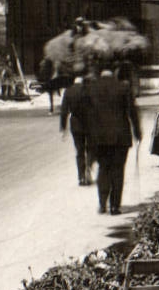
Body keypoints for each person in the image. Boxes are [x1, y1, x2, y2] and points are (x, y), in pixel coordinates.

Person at [79, 60, 141, 216]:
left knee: (103, 168)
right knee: (118, 170)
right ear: (115, 70)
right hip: (120, 137)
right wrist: (137, 131)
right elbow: (132, 111)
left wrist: (87, 136)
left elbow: (86, 115)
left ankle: (102, 204)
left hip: (98, 138)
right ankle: (115, 206)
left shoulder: (91, 88)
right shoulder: (124, 87)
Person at [59, 74, 92, 186]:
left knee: (79, 151)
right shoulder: (88, 90)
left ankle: (81, 176)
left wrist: (63, 128)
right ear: (82, 82)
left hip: (76, 124)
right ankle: (88, 168)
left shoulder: (68, 92)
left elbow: (64, 111)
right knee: (90, 148)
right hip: (89, 123)